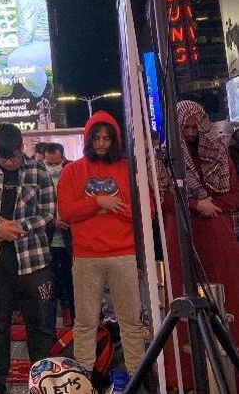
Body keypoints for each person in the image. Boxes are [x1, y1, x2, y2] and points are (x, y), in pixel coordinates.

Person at [57, 111, 144, 377]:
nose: (103, 144)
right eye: (97, 138)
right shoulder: (72, 171)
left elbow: (144, 212)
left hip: (124, 254)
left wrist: (108, 207)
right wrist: (98, 203)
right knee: (85, 322)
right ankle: (82, 378)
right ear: (88, 140)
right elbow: (66, 212)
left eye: (107, 138)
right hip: (86, 256)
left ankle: (137, 375)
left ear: (115, 139)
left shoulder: (128, 169)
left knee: (131, 322)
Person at [161, 101, 239, 387]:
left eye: (196, 127)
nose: (192, 133)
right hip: (183, 235)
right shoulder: (166, 157)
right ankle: (188, 379)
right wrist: (195, 205)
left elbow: (234, 196)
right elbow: (164, 199)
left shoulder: (220, 154)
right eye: (186, 128)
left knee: (228, 300)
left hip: (218, 236)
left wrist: (209, 205)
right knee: (183, 302)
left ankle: (229, 375)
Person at [0, 124, 55, 394]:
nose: (10, 162)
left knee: (39, 324)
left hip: (33, 259)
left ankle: (41, 378)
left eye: (14, 156)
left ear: (22, 147)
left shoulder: (38, 171)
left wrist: (18, 227)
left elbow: (47, 212)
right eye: (4, 157)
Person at [42, 143, 75, 330]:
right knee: (50, 286)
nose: (53, 167)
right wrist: (52, 220)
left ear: (63, 159)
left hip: (69, 241)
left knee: (71, 284)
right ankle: (50, 328)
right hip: (48, 242)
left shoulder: (71, 173)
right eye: (49, 163)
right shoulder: (39, 176)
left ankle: (73, 322)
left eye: (56, 163)